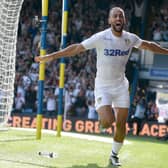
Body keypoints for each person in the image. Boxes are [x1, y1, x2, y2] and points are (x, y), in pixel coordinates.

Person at [35, 7, 168, 166]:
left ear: (124, 20)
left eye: (121, 16)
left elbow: (149, 45)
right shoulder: (101, 37)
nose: (118, 18)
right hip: (103, 87)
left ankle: (113, 155)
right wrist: (52, 56)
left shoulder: (130, 38)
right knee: (108, 122)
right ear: (110, 20)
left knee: (121, 123)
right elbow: (77, 48)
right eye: (115, 16)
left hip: (121, 86)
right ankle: (103, 121)